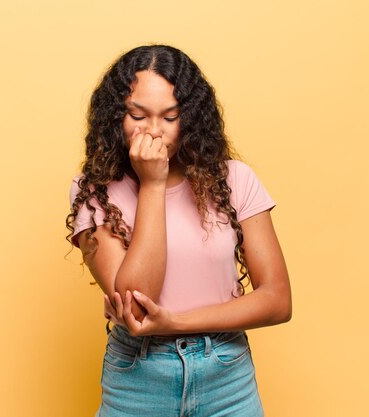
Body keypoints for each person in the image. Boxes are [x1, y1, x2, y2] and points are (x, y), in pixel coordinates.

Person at [66, 45, 292, 417]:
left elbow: (277, 300)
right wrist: (152, 185)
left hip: (226, 378)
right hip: (138, 379)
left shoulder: (235, 179)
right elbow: (137, 304)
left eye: (169, 117)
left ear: (190, 118)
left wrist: (177, 322)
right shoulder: (95, 190)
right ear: (114, 117)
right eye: (138, 115)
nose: (154, 131)